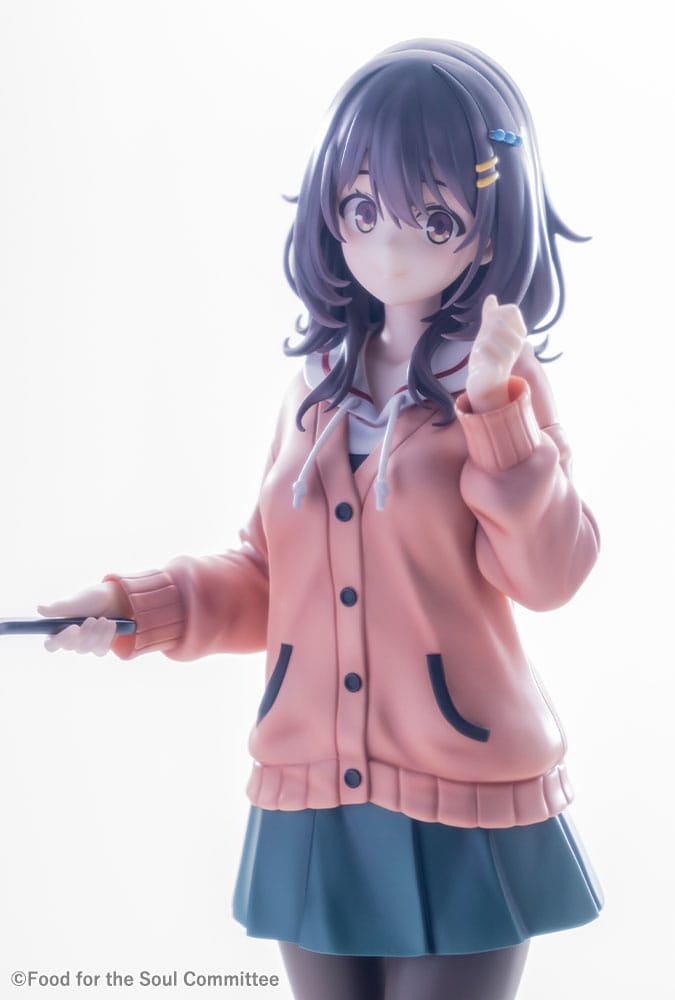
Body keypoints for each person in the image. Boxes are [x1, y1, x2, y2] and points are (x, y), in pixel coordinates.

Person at [40, 39, 603, 1000]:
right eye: (361, 209)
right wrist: (135, 607)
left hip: (463, 786)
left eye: (433, 218)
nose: (388, 245)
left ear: (489, 226)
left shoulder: (497, 385)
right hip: (307, 790)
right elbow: (268, 579)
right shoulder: (316, 389)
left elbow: (549, 575)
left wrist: (494, 412)